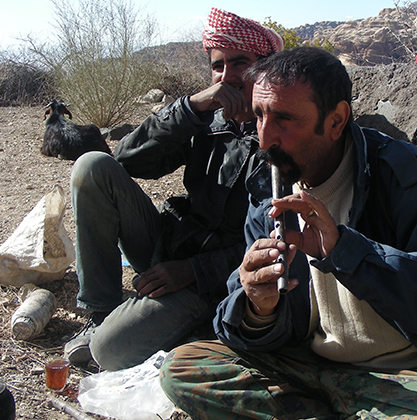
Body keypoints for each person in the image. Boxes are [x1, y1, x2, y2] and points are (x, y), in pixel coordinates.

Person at [159, 47, 417, 419]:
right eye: (258, 116)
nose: (264, 139)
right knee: (182, 367)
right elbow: (255, 329)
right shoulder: (267, 187)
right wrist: (258, 307)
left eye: (285, 119)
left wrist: (346, 251)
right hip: (310, 365)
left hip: (408, 378)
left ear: (336, 120)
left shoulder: (413, 181)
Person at [64, 8, 284, 371]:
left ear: (263, 69)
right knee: (92, 167)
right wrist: (190, 107)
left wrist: (194, 271)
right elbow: (128, 160)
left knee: (109, 351)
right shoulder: (206, 119)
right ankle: (100, 311)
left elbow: (275, 242)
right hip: (170, 245)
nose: (227, 76)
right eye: (218, 65)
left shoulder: (280, 137)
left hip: (215, 279)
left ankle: (197, 327)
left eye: (240, 63)